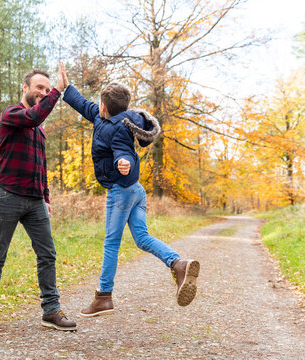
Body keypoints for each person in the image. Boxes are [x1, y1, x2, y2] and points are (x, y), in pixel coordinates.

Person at [60, 63, 200, 317]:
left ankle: (103, 297)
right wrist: (66, 88)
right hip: (136, 190)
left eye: (98, 105)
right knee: (142, 238)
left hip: (121, 191)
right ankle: (178, 264)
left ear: (104, 107)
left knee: (111, 243)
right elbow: (82, 104)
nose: (95, 108)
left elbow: (123, 150)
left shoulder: (115, 128)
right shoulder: (106, 117)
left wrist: (122, 162)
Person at [0, 65, 76, 332]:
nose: (44, 93)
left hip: (35, 202)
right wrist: (58, 89)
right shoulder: (12, 114)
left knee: (47, 254)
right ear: (25, 88)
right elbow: (34, 116)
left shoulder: (39, 131)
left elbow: (41, 166)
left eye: (47, 89)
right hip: (7, 195)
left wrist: (46, 198)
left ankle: (51, 311)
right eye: (39, 88)